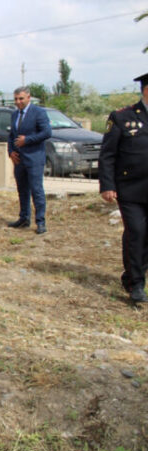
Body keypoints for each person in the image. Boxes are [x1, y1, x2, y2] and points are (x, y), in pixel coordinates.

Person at [99, 72, 148, 304]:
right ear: (146, 90)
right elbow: (107, 154)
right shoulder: (122, 117)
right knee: (136, 232)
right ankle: (136, 284)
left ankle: (132, 274)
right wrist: (107, 185)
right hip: (130, 189)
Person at [7, 86, 52, 234]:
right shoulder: (14, 115)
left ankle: (40, 222)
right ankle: (24, 218)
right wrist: (11, 152)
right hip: (19, 159)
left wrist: (28, 140)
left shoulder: (38, 112)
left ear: (28, 97)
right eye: (16, 99)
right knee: (22, 190)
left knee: (36, 190)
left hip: (34, 158)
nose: (18, 102)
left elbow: (46, 132)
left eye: (21, 98)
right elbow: (11, 135)